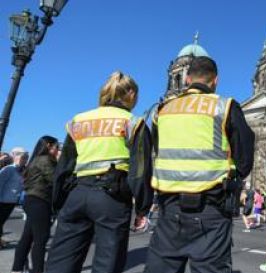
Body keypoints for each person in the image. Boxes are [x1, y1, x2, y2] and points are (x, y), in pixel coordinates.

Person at [144, 56, 255, 273]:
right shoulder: (225, 106)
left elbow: (158, 150)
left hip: (169, 210)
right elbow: (245, 161)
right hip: (211, 209)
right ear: (215, 81)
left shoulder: (162, 110)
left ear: (186, 78)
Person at [45, 72, 153, 273]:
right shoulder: (133, 122)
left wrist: (59, 202)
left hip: (76, 194)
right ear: (130, 94)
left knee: (60, 262)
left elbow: (65, 166)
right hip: (112, 197)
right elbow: (140, 170)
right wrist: (142, 209)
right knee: (107, 263)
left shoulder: (80, 120)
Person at [11, 137, 58, 273]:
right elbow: (55, 179)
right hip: (40, 201)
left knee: (27, 237)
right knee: (40, 239)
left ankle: (17, 269)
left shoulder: (36, 159)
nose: (57, 150)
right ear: (49, 146)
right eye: (56, 147)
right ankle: (37, 270)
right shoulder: (45, 160)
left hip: (32, 200)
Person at [0, 148, 28, 248]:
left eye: (26, 158)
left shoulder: (23, 170)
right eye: (23, 157)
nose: (24, 159)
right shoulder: (8, 169)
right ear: (15, 157)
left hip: (11, 201)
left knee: (2, 221)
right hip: (2, 201)